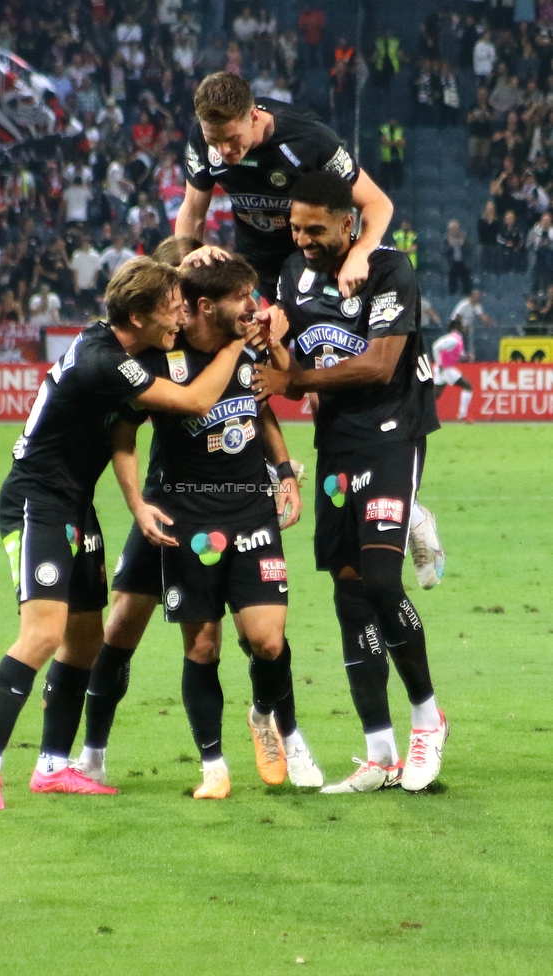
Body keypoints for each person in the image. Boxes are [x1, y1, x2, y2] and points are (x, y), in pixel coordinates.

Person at [0, 258, 253, 811]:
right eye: (171, 308)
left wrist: (183, 261)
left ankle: (52, 766)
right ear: (139, 316)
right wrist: (237, 344)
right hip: (36, 503)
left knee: (86, 640)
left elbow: (121, 430)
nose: (181, 316)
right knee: (44, 634)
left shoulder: (126, 340)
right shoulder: (104, 362)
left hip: (75, 507)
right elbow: (193, 402)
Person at [79, 243, 321, 795]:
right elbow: (129, 423)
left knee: (266, 640)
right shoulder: (164, 347)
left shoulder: (247, 337)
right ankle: (94, 754)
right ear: (202, 303)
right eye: (242, 297)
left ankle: (280, 725)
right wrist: (137, 502)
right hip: (175, 508)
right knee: (127, 631)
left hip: (244, 505)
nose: (253, 305)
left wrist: (284, 469)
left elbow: (264, 405)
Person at [252, 171, 448, 794]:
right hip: (335, 440)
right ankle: (379, 753)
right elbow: (297, 360)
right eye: (295, 228)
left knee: (385, 581)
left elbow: (380, 363)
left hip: (393, 430)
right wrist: (275, 347)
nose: (304, 239)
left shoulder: (391, 269)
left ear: (349, 223)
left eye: (316, 228)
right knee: (349, 590)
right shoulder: (290, 273)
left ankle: (427, 721)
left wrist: (293, 384)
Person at [175, 72, 393, 303]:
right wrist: (185, 268)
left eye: (232, 138)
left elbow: (377, 203)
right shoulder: (201, 137)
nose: (223, 150)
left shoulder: (308, 137)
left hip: (313, 266)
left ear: (253, 116)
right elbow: (192, 212)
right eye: (214, 141)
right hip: (254, 269)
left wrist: (359, 253)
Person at [432, 327, 474, 422]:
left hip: (443, 369)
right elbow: (436, 347)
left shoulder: (456, 339)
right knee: (468, 386)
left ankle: (415, 413)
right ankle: (462, 414)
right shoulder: (453, 339)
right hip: (446, 369)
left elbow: (456, 354)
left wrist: (466, 356)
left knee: (435, 395)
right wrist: (439, 364)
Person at [379, 119, 405, 190]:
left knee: (398, 181)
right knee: (386, 182)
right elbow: (384, 142)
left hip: (397, 158)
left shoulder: (400, 129)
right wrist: (396, 143)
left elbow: (402, 143)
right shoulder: (383, 129)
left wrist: (389, 143)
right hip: (386, 159)